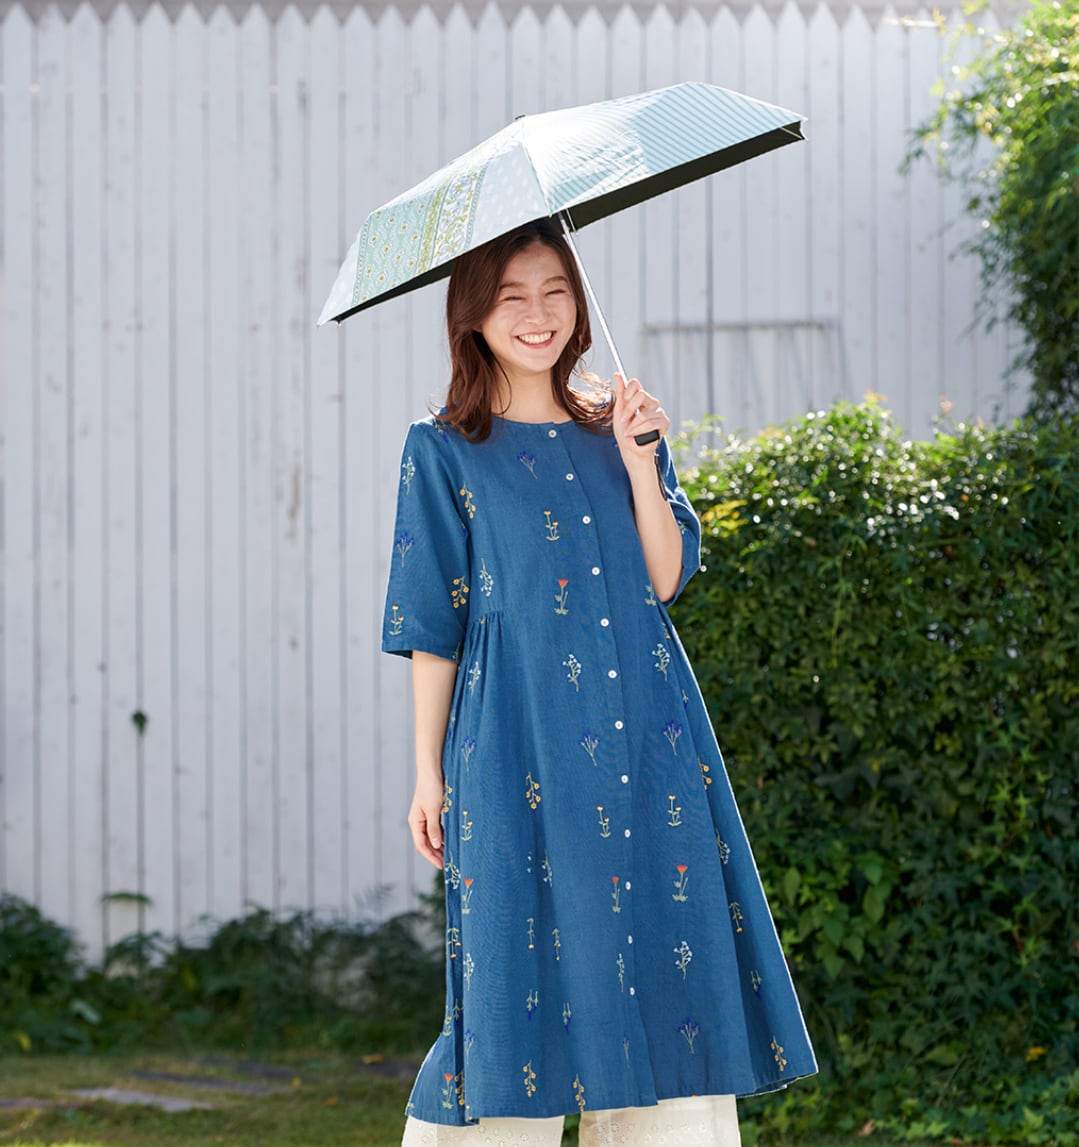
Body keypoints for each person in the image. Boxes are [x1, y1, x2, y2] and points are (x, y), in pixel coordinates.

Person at [382, 219, 816, 1147]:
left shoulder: (617, 426)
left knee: (663, 955)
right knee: (511, 967)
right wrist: (426, 771)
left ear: (579, 305)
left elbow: (666, 577)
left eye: (555, 291)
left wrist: (640, 458)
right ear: (473, 316)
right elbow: (431, 624)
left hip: (647, 736)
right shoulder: (442, 448)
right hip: (513, 742)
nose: (537, 314)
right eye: (512, 297)